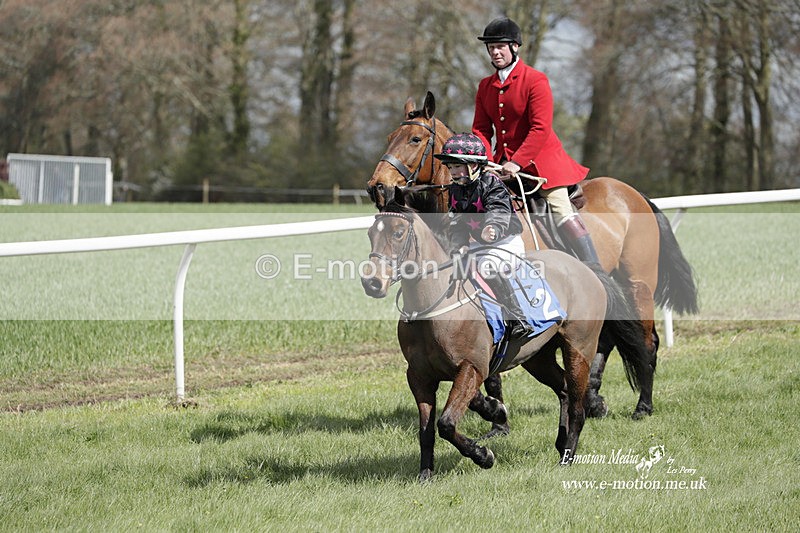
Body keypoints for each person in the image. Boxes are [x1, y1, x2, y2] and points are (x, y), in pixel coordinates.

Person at [471, 16, 600, 266]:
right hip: (501, 165)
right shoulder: (485, 86)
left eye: (500, 46)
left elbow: (541, 128)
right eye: (491, 47)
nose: (495, 52)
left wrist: (517, 162)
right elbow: (481, 129)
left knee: (560, 207)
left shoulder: (535, 79)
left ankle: (595, 269)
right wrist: (485, 161)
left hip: (542, 164)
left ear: (514, 46)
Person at [433, 132, 533, 338]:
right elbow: (458, 223)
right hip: (480, 244)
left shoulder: (492, 183)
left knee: (487, 268)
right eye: (450, 168)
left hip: (505, 242)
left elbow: (499, 211)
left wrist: (494, 229)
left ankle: (518, 319)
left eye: (457, 167)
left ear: (474, 166)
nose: (452, 172)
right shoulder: (455, 189)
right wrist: (459, 244)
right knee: (456, 268)